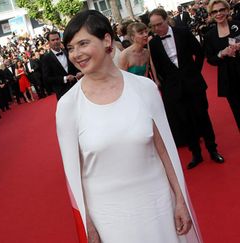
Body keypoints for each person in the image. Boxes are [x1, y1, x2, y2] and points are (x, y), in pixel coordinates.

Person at [56, 10, 202, 243]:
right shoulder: (67, 106)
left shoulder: (145, 89)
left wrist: (180, 200)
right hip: (109, 219)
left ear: (106, 40)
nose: (76, 54)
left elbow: (165, 151)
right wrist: (88, 227)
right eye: (70, 48)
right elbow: (74, 174)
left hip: (158, 205)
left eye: (83, 43)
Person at [148, 8, 224, 169]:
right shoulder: (153, 44)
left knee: (202, 117)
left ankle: (212, 150)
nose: (156, 29)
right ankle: (196, 154)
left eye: (159, 24)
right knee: (185, 122)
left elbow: (199, 52)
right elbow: (159, 68)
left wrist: (194, 71)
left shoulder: (183, 32)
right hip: (174, 89)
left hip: (193, 83)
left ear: (167, 20)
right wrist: (169, 82)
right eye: (153, 26)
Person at [204, 0, 240, 130]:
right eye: (214, 11)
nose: (218, 14)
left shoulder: (238, 25)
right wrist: (221, 53)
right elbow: (210, 59)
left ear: (227, 10)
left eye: (221, 10)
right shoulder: (209, 35)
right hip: (229, 78)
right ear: (211, 14)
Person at [41, 30, 82, 100]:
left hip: (76, 87)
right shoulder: (46, 58)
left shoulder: (68, 52)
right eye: (53, 40)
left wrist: (79, 72)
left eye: (57, 39)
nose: (56, 41)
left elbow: (75, 66)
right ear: (49, 42)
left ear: (60, 39)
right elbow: (46, 78)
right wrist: (64, 78)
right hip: (62, 92)